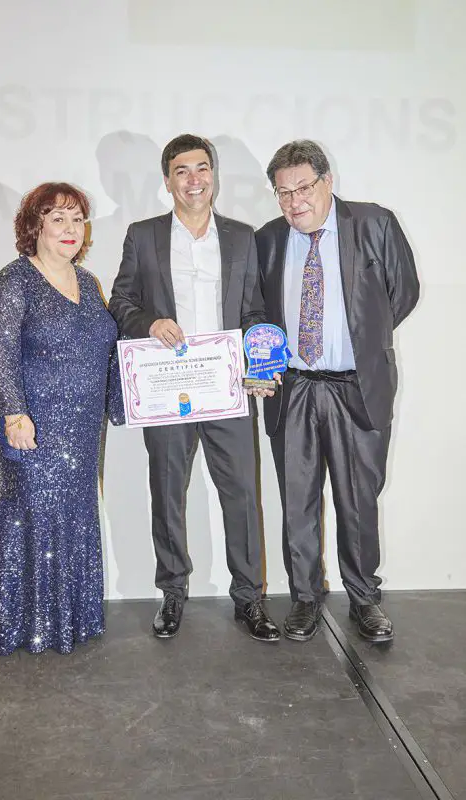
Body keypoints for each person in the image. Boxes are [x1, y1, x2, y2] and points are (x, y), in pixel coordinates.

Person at [109, 134, 280, 642]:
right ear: (167, 181)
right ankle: (172, 592)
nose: (193, 179)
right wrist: (149, 323)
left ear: (214, 175)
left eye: (202, 168)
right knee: (167, 493)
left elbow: (254, 312)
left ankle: (249, 598)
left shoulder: (242, 237)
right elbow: (120, 302)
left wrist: (260, 362)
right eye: (181, 171)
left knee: (242, 495)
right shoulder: (143, 236)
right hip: (167, 388)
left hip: (226, 387)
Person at [255, 140, 419, 644]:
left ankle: (365, 598)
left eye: (303, 187)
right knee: (297, 499)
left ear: (327, 182)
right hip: (294, 388)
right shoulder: (268, 239)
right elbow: (257, 309)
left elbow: (403, 292)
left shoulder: (373, 224)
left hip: (356, 387)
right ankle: (305, 598)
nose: (294, 201)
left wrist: (361, 343)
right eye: (283, 193)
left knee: (358, 499)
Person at [0, 182, 123, 655]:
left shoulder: (88, 282)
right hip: (32, 429)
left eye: (77, 219)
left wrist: (138, 392)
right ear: (34, 225)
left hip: (82, 429)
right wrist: (13, 414)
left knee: (75, 516)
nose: (70, 228)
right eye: (57, 218)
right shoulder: (13, 282)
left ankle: (72, 620)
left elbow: (106, 348)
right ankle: (28, 625)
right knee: (34, 518)